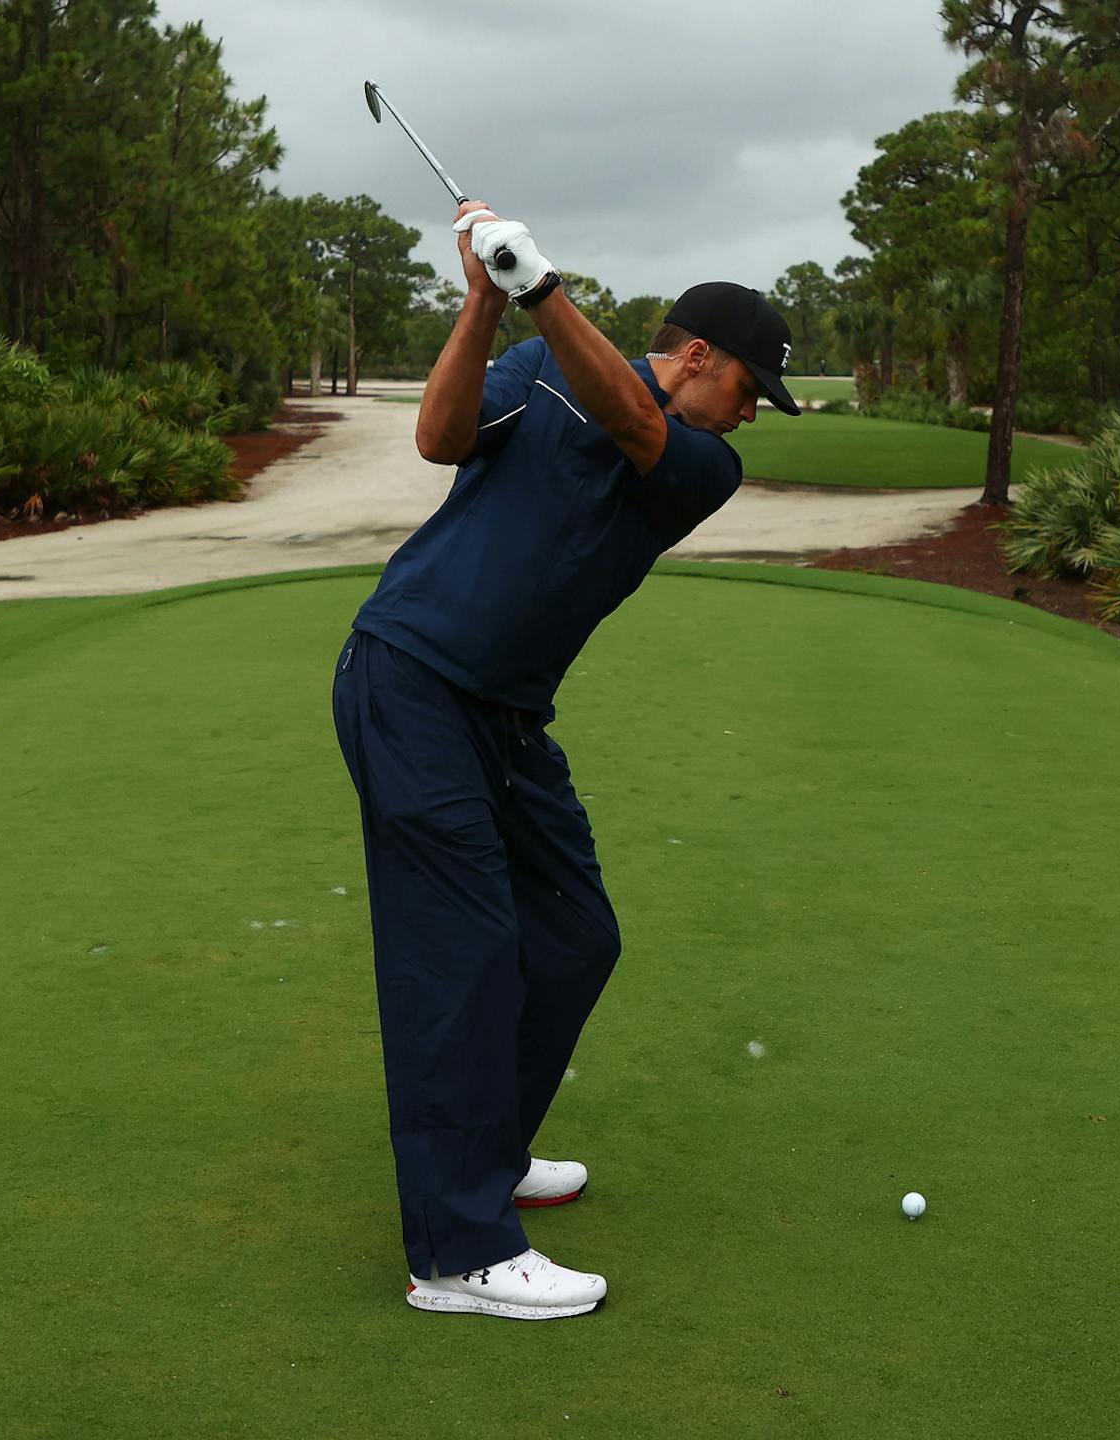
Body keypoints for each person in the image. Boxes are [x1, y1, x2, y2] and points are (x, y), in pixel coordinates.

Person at [330, 199, 800, 1320]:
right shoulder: (537, 368)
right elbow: (440, 438)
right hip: (410, 680)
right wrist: (484, 302)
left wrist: (539, 287)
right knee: (464, 954)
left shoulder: (704, 464)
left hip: (506, 719)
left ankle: (485, 1152)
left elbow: (632, 421)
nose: (754, 414)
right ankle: (457, 1252)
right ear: (699, 355)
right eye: (751, 388)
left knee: (576, 935)